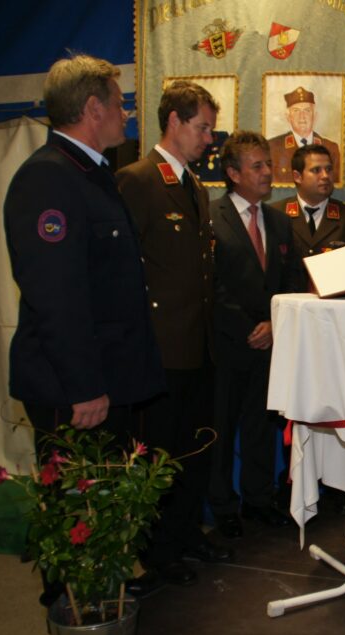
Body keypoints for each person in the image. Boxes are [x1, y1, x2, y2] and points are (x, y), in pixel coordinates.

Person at [2, 53, 165, 605]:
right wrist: (84, 386)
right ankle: (72, 607)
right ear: (93, 109)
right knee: (73, 501)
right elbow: (56, 296)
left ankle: (101, 590)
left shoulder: (89, 173)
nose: (127, 114)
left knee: (100, 497)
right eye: (121, 104)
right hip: (74, 385)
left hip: (105, 374)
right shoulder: (49, 178)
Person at [116, 80, 232, 594]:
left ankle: (186, 535)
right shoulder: (137, 181)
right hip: (161, 348)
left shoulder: (194, 187)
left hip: (198, 344)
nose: (209, 139)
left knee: (193, 450)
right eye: (202, 128)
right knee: (159, 455)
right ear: (174, 122)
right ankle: (157, 551)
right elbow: (124, 272)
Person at [209, 131, 302, 538]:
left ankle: (258, 500)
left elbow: (293, 279)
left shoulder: (280, 221)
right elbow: (210, 285)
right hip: (227, 345)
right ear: (233, 174)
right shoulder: (210, 217)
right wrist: (248, 328)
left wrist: (274, 324)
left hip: (269, 345)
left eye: (268, 164)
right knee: (221, 428)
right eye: (258, 166)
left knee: (261, 428)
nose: (268, 172)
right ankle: (222, 506)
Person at [269, 143, 345, 271]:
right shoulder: (275, 215)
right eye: (316, 170)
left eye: (329, 169)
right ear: (297, 177)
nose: (325, 176)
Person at [268, 86, 341, 185]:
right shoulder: (274, 148)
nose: (302, 116)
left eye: (307, 110)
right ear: (288, 117)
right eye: (296, 111)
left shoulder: (331, 148)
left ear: (315, 116)